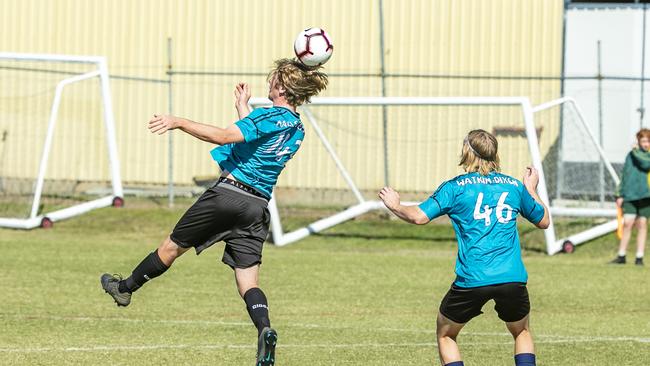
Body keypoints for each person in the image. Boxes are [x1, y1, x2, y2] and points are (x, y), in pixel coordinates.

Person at [100, 58, 327, 366]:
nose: (268, 83)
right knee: (248, 282)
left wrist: (178, 121)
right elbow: (255, 143)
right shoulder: (297, 128)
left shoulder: (268, 116)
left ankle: (124, 288)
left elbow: (222, 136)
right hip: (257, 207)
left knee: (169, 248)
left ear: (282, 87)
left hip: (227, 196)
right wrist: (242, 109)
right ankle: (265, 329)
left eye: (272, 79)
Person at [378, 129, 550, 366]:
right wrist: (531, 188)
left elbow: (418, 216)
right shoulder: (513, 186)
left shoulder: (456, 187)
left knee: (446, 333)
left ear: (467, 152)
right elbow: (544, 221)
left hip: (473, 278)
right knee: (521, 331)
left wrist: (396, 206)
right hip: (512, 277)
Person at [611, 128, 650, 266]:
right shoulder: (630, 155)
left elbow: (646, 164)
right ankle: (621, 255)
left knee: (642, 224)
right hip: (630, 194)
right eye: (643, 141)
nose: (646, 144)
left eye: (648, 141)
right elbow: (625, 175)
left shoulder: (646, 155)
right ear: (638, 141)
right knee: (627, 223)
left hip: (646, 196)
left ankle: (639, 257)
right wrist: (619, 193)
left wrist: (635, 151)